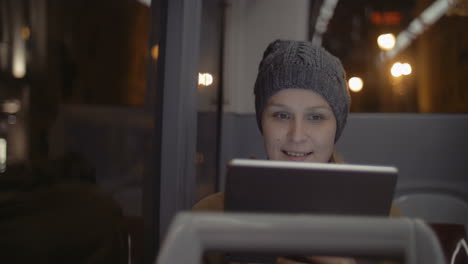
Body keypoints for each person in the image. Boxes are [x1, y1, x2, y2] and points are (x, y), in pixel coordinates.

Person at [193, 40, 400, 264]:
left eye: (316, 117)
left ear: (336, 128)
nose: (297, 135)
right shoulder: (211, 216)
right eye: (281, 115)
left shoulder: (384, 221)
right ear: (262, 122)